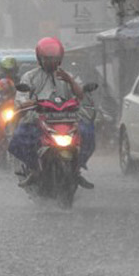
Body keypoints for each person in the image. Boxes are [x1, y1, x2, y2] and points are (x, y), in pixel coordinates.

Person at [8, 37, 95, 189]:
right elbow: (21, 100)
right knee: (20, 137)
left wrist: (70, 81)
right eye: (47, 59)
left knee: (88, 132)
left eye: (55, 59)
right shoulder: (30, 77)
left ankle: (77, 169)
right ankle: (34, 169)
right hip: (39, 119)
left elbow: (80, 96)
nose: (51, 62)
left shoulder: (68, 75)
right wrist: (31, 103)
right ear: (40, 59)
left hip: (67, 119)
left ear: (60, 59)